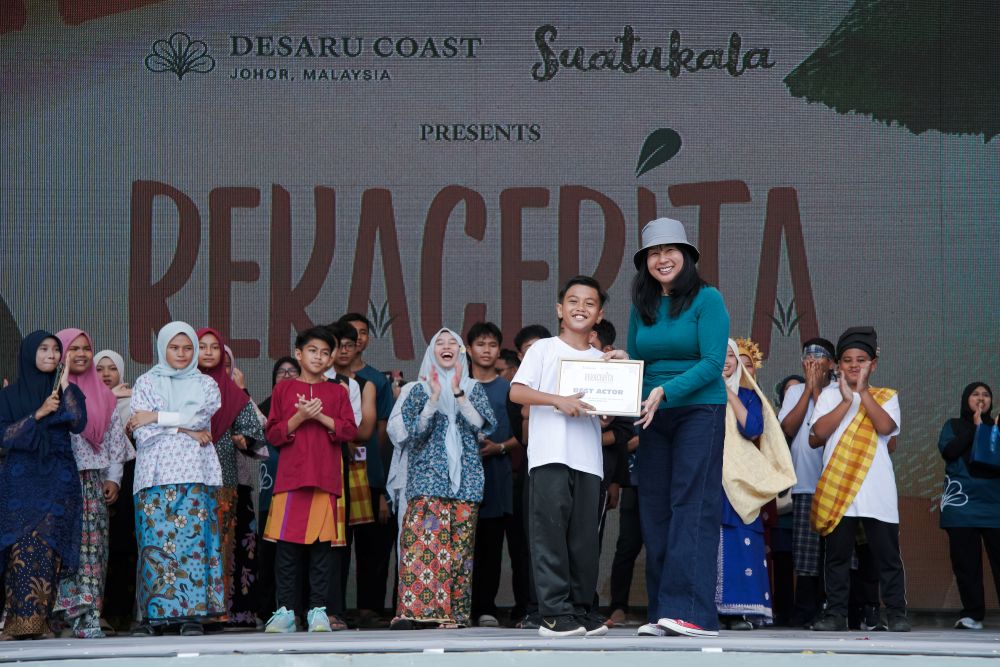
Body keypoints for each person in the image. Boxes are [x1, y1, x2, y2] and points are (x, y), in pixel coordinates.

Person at [627, 218, 730, 638]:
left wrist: (666, 391)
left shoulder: (708, 299)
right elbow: (639, 362)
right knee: (655, 511)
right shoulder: (643, 306)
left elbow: (711, 363)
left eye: (670, 250)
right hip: (653, 415)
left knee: (693, 507)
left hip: (698, 411)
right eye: (653, 252)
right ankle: (663, 611)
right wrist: (619, 364)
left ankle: (694, 613)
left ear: (687, 257)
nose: (662, 258)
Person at [510, 275, 620, 638]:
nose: (580, 308)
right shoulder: (543, 349)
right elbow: (517, 393)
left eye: (589, 303)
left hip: (589, 459)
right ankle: (554, 614)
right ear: (560, 309)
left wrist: (607, 411)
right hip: (550, 456)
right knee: (550, 536)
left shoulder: (602, 359)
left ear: (599, 314)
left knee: (585, 540)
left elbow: (610, 410)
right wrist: (559, 400)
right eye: (573, 301)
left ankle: (582, 609)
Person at [388, 328, 495, 629]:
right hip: (427, 480)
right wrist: (434, 399)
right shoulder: (416, 389)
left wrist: (458, 393)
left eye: (453, 343)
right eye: (440, 343)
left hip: (467, 481)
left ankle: (453, 615)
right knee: (423, 544)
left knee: (459, 550)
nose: (447, 347)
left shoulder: (474, 388)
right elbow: (412, 434)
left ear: (462, 352)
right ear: (431, 352)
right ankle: (415, 613)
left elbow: (482, 426)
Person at [809, 327, 908, 632]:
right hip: (839, 488)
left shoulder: (885, 396)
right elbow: (817, 436)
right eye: (848, 360)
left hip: (876, 489)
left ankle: (897, 613)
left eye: (861, 360)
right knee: (836, 558)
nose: (854, 365)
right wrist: (844, 401)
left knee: (886, 556)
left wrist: (862, 393)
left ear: (873, 364)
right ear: (838, 365)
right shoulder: (827, 396)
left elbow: (886, 427)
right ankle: (836, 614)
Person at [127, 322, 223, 636]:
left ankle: (191, 615)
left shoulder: (206, 384)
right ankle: (155, 616)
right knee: (155, 545)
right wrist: (183, 429)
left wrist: (157, 416)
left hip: (194, 472)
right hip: (153, 474)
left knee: (191, 544)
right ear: (163, 348)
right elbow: (142, 432)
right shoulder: (145, 382)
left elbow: (198, 417)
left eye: (187, 348)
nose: (181, 354)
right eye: (174, 347)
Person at [262, 326, 357, 633]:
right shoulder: (283, 391)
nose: (319, 357)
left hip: (325, 479)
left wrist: (320, 417)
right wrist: (300, 417)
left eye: (325, 352)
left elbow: (349, 431)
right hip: (290, 480)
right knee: (287, 552)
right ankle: (287, 611)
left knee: (322, 552)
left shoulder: (337, 392)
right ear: (299, 354)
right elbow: (274, 434)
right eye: (313, 351)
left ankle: (318, 611)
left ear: (331, 359)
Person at [0, 331, 86, 639]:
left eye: (55, 350)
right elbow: (5, 437)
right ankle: (17, 623)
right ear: (28, 354)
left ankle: (43, 622)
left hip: (58, 479)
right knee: (20, 548)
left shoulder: (67, 392)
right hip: (21, 480)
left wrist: (64, 387)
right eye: (44, 349)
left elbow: (78, 422)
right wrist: (38, 414)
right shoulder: (9, 396)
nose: (51, 355)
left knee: (50, 549)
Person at [51, 329, 135, 638]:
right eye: (74, 348)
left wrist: (114, 478)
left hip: (92, 482)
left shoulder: (102, 395)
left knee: (93, 550)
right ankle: (57, 616)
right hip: (58, 482)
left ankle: (86, 615)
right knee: (61, 548)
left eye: (87, 348)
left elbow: (115, 441)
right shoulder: (51, 391)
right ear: (62, 353)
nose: (83, 354)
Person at [716, 338, 796, 630]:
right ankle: (708, 609)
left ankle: (739, 612)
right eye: (719, 355)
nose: (725, 361)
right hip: (709, 479)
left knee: (740, 538)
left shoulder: (750, 397)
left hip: (739, 480)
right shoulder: (699, 394)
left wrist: (728, 392)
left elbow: (751, 429)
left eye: (731, 356)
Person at [196, 328, 267, 627]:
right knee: (192, 546)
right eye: (203, 346)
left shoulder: (232, 392)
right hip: (186, 479)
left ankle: (219, 611)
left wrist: (244, 439)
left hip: (224, 478)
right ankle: (191, 610)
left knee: (221, 546)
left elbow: (254, 429)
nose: (210, 352)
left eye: (216, 347)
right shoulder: (181, 387)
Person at [338, 313, 397, 627]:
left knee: (372, 547)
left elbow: (384, 434)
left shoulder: (376, 380)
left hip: (371, 472)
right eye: (349, 337)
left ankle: (369, 609)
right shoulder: (326, 380)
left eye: (362, 333)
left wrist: (385, 485)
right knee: (336, 545)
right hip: (335, 474)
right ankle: (333, 608)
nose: (356, 340)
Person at [777, 338, 837, 627]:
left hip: (836, 484)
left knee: (836, 552)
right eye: (807, 356)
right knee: (806, 553)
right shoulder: (795, 391)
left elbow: (825, 425)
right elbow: (788, 427)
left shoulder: (841, 391)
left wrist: (819, 391)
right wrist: (808, 390)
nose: (812, 361)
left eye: (819, 356)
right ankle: (804, 612)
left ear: (832, 363)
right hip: (804, 483)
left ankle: (834, 608)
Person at [466, 322, 521, 628]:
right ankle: (457, 606)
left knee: (490, 546)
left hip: (496, 476)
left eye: (492, 345)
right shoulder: (457, 385)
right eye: (480, 344)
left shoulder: (510, 390)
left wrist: (499, 447)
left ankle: (485, 607)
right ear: (469, 350)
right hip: (459, 481)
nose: (486, 351)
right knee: (459, 545)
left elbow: (522, 434)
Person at [938, 382, 1000, 630]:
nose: (981, 398)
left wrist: (989, 430)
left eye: (986, 394)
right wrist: (976, 428)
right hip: (961, 504)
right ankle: (972, 614)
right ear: (966, 399)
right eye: (975, 394)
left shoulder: (997, 428)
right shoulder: (953, 425)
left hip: (995, 504)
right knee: (966, 563)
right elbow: (949, 451)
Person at [93, 349, 139, 633]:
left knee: (122, 546)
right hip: (89, 477)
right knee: (94, 548)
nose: (106, 374)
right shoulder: (83, 399)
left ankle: (121, 612)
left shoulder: (133, 402)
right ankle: (95, 612)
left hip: (124, 478)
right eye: (100, 369)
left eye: (112, 369)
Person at [256, 356, 299, 625]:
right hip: (269, 490)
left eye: (292, 371)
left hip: (298, 488)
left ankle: (299, 609)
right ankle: (266, 610)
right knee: (269, 554)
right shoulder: (264, 408)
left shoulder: (309, 405)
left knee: (297, 552)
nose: (286, 375)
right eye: (281, 372)